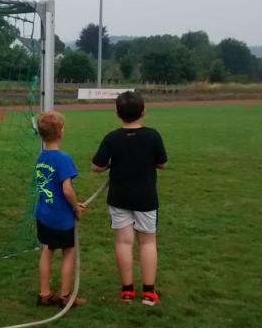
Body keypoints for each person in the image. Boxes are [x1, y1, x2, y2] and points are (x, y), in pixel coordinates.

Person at [92, 91, 167, 306]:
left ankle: (127, 291)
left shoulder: (112, 138)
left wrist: (110, 164)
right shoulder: (153, 135)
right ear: (143, 111)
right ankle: (149, 293)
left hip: (119, 197)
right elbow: (162, 163)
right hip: (146, 198)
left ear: (117, 113)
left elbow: (96, 166)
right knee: (147, 242)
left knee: (124, 242)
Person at [33, 111, 87, 307]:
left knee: (47, 250)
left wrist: (74, 203)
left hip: (43, 215)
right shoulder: (63, 159)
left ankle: (44, 294)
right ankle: (65, 296)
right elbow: (67, 190)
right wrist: (75, 207)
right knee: (68, 252)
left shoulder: (40, 157)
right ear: (60, 133)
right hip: (61, 218)